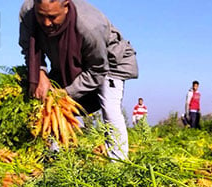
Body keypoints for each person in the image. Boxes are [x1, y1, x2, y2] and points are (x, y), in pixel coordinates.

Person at [19, 0, 138, 160]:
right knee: (50, 106)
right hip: (65, 64)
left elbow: (98, 70)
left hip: (110, 64)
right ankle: (54, 158)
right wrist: (40, 72)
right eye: (41, 16)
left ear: (66, 5)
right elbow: (28, 46)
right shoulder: (29, 12)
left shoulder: (90, 26)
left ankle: (118, 163)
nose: (46, 23)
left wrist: (66, 93)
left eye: (52, 17)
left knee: (110, 109)